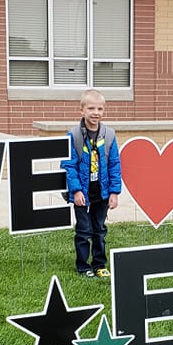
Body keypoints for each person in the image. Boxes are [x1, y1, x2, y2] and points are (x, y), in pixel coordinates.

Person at [62, 88, 121, 278]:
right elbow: (69, 165)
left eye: (100, 109)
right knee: (83, 230)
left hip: (101, 193)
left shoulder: (109, 135)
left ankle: (99, 264)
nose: (96, 113)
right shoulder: (74, 135)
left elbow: (114, 164)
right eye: (91, 108)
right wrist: (76, 190)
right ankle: (83, 266)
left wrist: (114, 192)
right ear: (82, 111)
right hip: (82, 193)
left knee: (100, 229)